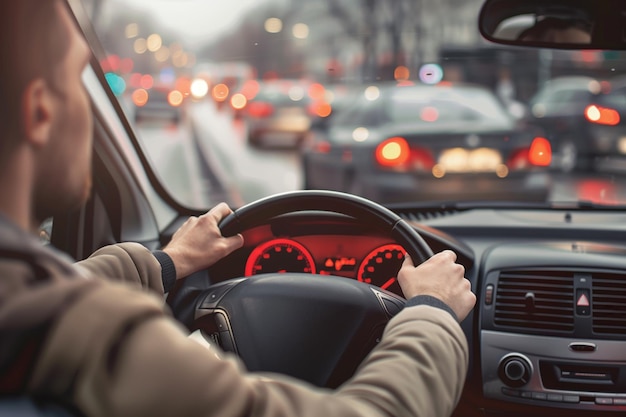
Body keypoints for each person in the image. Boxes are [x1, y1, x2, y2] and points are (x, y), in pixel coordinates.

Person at [0, 1, 476, 417]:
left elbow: (66, 282)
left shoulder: (24, 300)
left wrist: (169, 261)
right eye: (77, 82)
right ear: (40, 112)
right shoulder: (97, 341)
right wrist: (432, 310)